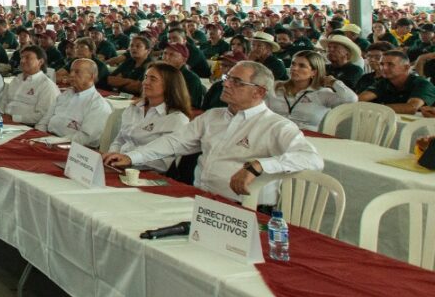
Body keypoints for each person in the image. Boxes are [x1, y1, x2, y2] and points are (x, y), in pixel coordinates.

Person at [103, 61, 324, 204]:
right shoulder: (213, 116)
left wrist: (258, 166)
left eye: (236, 82)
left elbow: (312, 159)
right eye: (227, 78)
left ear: (259, 92)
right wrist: (132, 156)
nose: (226, 85)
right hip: (200, 199)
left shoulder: (275, 125)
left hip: (244, 208)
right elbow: (174, 143)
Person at [108, 63, 192, 173]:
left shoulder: (176, 119)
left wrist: (129, 159)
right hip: (119, 166)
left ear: (169, 85)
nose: (145, 82)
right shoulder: (134, 108)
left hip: (146, 173)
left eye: (153, 79)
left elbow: (163, 161)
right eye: (145, 77)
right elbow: (119, 139)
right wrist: (113, 156)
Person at [266, 51, 358, 131]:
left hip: (308, 137)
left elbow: (351, 99)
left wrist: (334, 82)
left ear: (314, 72)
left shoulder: (323, 93)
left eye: (302, 66)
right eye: (293, 64)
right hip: (275, 133)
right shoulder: (276, 86)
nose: (294, 68)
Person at [36, 59, 110, 146]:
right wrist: (38, 136)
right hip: (47, 140)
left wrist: (52, 141)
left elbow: (85, 138)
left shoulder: (98, 105)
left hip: (72, 148)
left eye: (77, 72)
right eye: (71, 71)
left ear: (91, 76)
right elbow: (44, 121)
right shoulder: (64, 95)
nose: (71, 75)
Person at [358, 50, 435, 116]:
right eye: (382, 64)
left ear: (406, 67)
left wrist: (374, 108)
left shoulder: (423, 84)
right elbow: (360, 99)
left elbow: (411, 108)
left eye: (390, 64)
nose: (384, 68)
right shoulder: (384, 82)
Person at [0, 46, 60, 126]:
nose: (22, 61)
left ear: (40, 62)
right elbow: (3, 101)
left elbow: (43, 115)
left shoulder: (46, 85)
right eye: (22, 57)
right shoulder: (16, 80)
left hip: (25, 126)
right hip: (3, 122)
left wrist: (13, 118)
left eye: (28, 58)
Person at [162, 43, 207, 109]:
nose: (166, 57)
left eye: (172, 55)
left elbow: (190, 107)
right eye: (165, 53)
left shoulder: (191, 79)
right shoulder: (161, 73)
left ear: (184, 60)